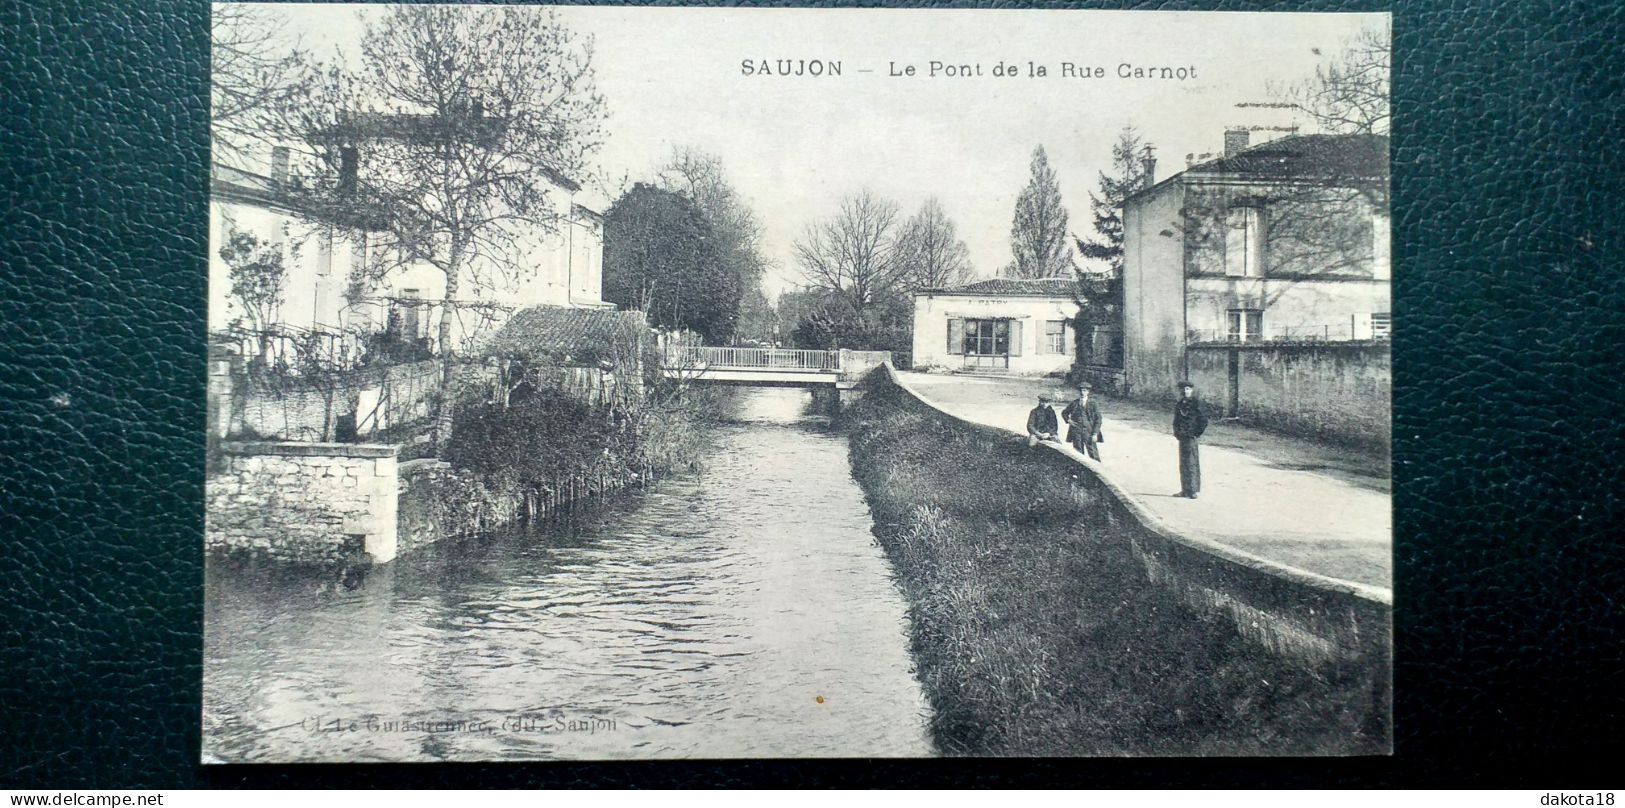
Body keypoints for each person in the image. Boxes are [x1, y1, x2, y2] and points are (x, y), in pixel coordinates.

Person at [1172, 380, 1208, 498]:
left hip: (1191, 437)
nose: (1185, 391)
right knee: (1183, 463)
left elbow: (1203, 421)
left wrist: (1196, 433)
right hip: (1182, 437)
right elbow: (1176, 420)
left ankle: (1192, 490)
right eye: (1183, 389)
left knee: (1191, 462)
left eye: (1188, 389)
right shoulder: (1180, 404)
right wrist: (1177, 432)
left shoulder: (1196, 403)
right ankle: (1185, 489)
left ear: (1191, 390)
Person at [1062, 383, 1104, 461]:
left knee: (1093, 453)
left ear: (1088, 392)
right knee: (1078, 454)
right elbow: (1064, 413)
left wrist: (1095, 433)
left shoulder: (1093, 403)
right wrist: (1069, 421)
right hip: (1076, 431)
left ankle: (1096, 472)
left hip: (1089, 431)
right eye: (1081, 390)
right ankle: (1080, 472)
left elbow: (1098, 419)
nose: (1082, 392)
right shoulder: (1075, 403)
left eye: (1084, 390)